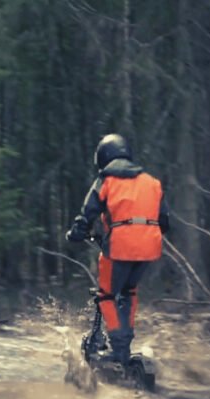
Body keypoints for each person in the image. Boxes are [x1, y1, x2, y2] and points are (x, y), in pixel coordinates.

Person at [65, 133, 170, 365]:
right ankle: (126, 342)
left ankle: (119, 350)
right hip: (149, 247)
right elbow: (165, 221)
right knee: (129, 292)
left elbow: (88, 213)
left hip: (121, 246)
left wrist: (76, 233)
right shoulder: (152, 182)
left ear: (103, 157)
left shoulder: (106, 180)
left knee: (107, 295)